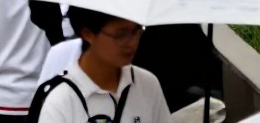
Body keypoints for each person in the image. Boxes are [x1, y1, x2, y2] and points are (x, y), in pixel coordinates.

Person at [32, 7, 171, 123]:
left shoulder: (147, 84)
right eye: (121, 35)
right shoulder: (60, 102)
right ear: (88, 34)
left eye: (136, 31)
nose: (132, 42)